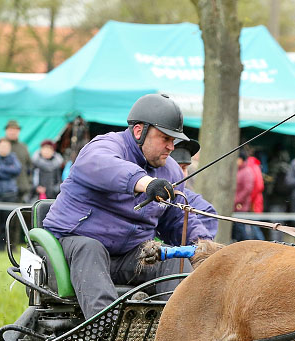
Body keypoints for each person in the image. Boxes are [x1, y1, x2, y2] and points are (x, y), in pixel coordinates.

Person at [42, 93, 218, 319]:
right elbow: (102, 165)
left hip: (129, 255)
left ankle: (176, 332)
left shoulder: (171, 170)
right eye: (165, 138)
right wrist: (146, 183)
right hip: (73, 249)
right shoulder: (104, 146)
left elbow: (175, 220)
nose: (171, 147)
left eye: (173, 140)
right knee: (90, 248)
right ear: (139, 131)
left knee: (175, 260)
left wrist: (203, 246)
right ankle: (107, 333)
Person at [4, 120, 33, 202]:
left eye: (15, 130)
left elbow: (29, 168)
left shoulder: (23, 147)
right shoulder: (0, 147)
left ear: (18, 131)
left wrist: (28, 184)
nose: (12, 132)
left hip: (21, 191)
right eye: (10, 129)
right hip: (4, 193)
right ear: (6, 131)